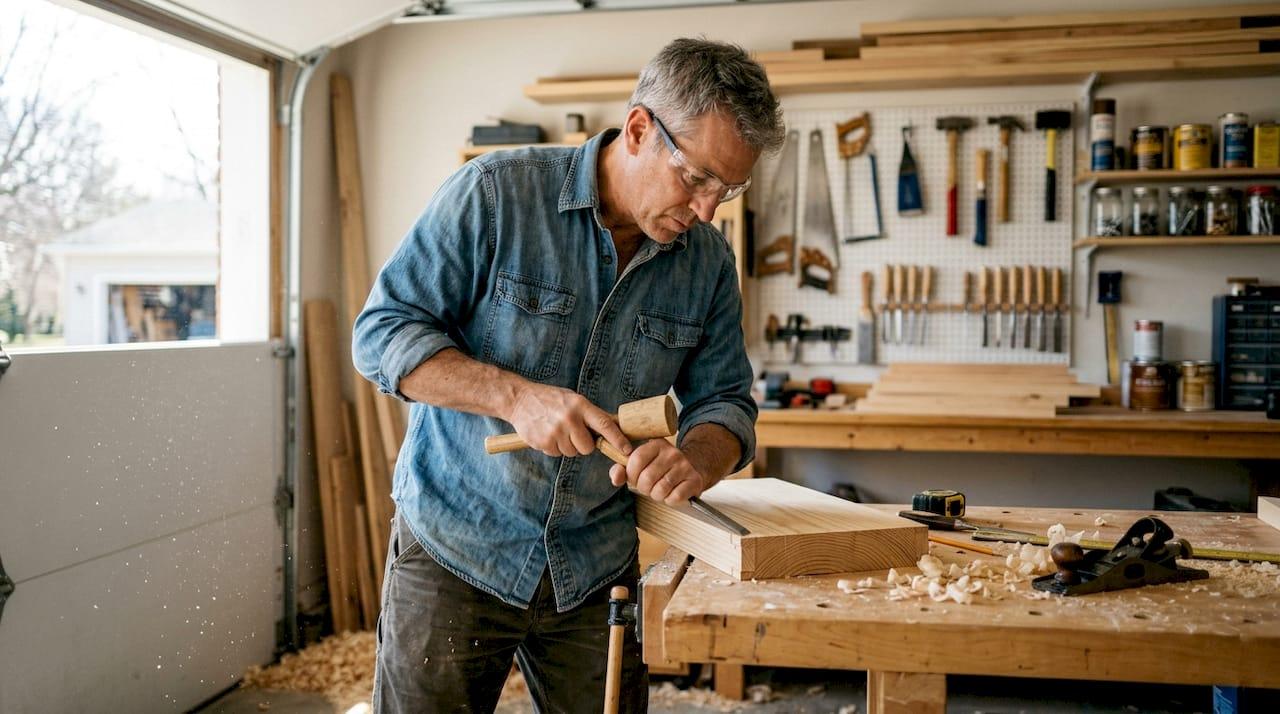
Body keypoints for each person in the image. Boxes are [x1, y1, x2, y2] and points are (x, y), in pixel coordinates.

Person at [352, 37, 784, 713]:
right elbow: (381, 334)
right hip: (458, 547)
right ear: (639, 128)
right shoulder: (496, 195)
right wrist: (514, 397)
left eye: (728, 189)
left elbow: (727, 401)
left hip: (593, 568)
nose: (708, 211)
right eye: (697, 178)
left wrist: (695, 460)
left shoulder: (705, 265)